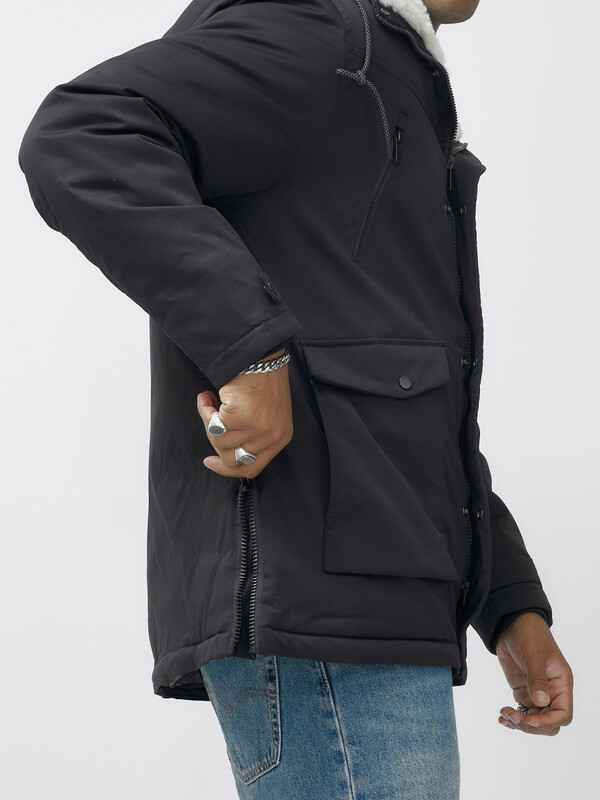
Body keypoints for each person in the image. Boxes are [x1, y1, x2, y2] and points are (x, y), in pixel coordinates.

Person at [18, 0, 574, 796]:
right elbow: (81, 131)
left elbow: (407, 389)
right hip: (327, 617)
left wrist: (508, 602)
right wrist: (252, 349)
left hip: (369, 609)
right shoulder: (322, 36)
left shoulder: (385, 67)